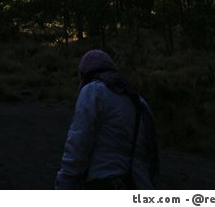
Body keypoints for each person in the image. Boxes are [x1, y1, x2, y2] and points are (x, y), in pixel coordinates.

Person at [55, 49, 159, 189]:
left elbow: (78, 144)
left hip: (104, 183)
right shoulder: (139, 102)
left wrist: (64, 183)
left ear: (85, 73)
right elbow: (151, 155)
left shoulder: (93, 91)